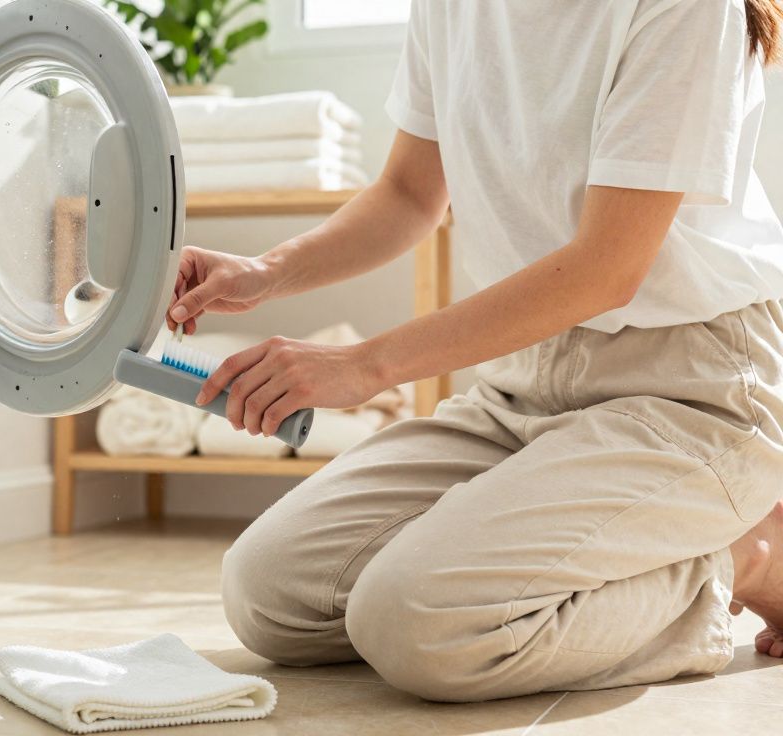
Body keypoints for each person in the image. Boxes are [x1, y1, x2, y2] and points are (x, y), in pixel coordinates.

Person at [170, 0, 783, 702]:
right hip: (526, 381)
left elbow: (607, 270)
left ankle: (745, 554)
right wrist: (267, 271)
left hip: (691, 391)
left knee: (421, 626)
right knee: (271, 594)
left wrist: (362, 365)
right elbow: (408, 194)